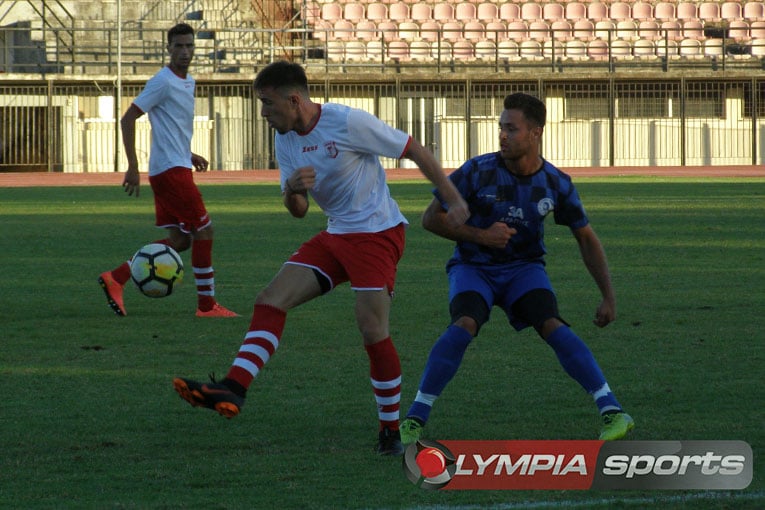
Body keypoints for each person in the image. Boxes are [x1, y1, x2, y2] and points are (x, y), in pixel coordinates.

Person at [172, 61, 469, 456]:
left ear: (294, 99)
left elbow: (413, 149)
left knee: (371, 327)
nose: (263, 113)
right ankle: (234, 387)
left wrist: (452, 198)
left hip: (377, 233)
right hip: (336, 233)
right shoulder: (286, 137)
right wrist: (292, 189)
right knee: (270, 299)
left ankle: (390, 432)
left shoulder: (347, 122)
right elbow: (297, 210)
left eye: (267, 103)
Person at [399, 92, 634, 445]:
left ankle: (613, 412)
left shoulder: (556, 183)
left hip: (524, 270)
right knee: (464, 323)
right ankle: (415, 418)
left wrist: (608, 297)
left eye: (511, 128)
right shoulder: (477, 171)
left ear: (536, 133)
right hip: (473, 267)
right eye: (500, 128)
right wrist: (481, 235)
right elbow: (430, 219)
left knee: (552, 324)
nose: (502, 135)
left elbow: (585, 238)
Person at [98, 23, 238, 319]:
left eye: (189, 46)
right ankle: (207, 306)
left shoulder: (188, 82)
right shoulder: (163, 81)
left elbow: (172, 127)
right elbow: (128, 118)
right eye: (179, 46)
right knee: (204, 230)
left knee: (180, 241)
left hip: (175, 166)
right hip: (170, 173)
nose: (185, 52)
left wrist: (188, 153)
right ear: (168, 49)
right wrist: (132, 166)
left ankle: (116, 277)